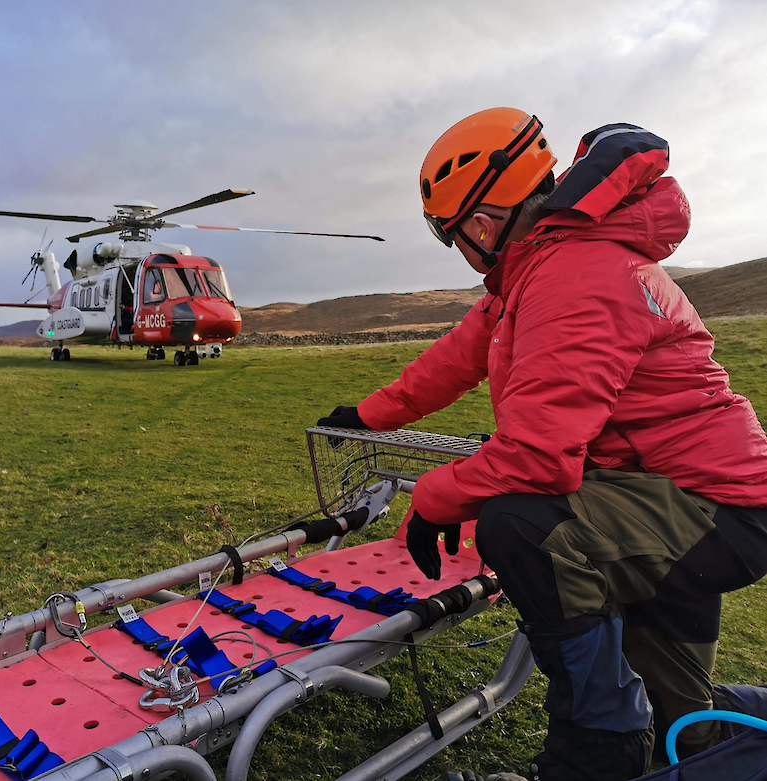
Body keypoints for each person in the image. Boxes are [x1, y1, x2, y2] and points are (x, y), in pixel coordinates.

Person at [318, 108, 767, 781]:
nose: (462, 254)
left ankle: (599, 745)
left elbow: (538, 455)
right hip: (676, 494)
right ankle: (683, 738)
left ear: (479, 224)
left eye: (451, 239)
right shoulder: (536, 270)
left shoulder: (574, 273)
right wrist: (368, 413)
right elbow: (451, 360)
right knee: (684, 723)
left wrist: (437, 497)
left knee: (524, 523)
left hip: (712, 508)